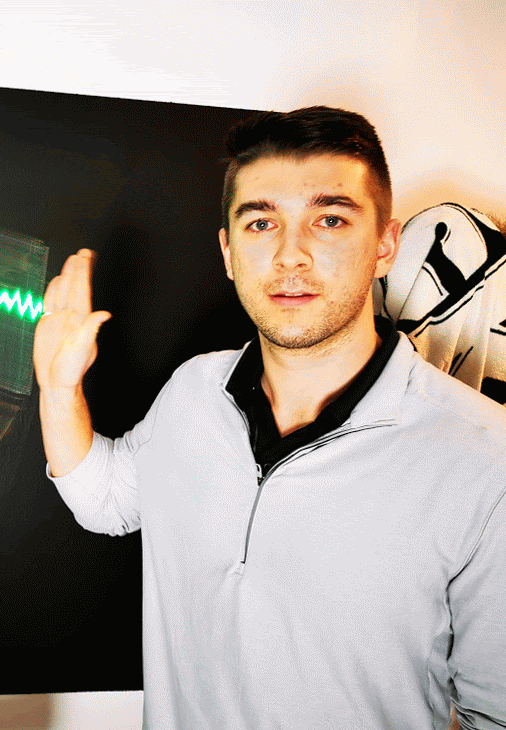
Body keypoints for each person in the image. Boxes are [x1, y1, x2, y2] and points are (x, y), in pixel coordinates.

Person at [33, 106, 506, 729]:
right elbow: (108, 501)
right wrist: (58, 389)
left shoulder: (486, 460)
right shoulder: (194, 390)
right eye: (261, 223)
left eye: (329, 219)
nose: (290, 255)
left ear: (385, 245)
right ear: (229, 252)